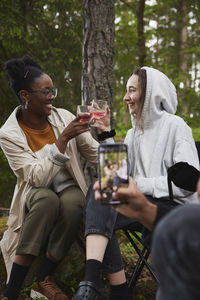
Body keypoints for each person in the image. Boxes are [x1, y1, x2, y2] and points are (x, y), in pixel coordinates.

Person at [71, 67, 200, 300]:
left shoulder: (176, 126)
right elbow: (117, 177)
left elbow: (187, 184)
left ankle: (113, 290)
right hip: (138, 204)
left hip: (172, 209)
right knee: (100, 193)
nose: (125, 97)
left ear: (150, 93)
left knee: (107, 193)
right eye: (126, 91)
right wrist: (106, 133)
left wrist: (140, 185)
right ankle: (96, 285)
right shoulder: (133, 133)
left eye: (132, 90)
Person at [0, 55, 111, 300]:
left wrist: (106, 132)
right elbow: (36, 178)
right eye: (45, 91)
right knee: (47, 201)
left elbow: (95, 154)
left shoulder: (62, 117)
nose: (52, 96)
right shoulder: (8, 134)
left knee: (74, 204)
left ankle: (43, 279)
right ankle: (11, 291)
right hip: (36, 190)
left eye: (53, 91)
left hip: (67, 185)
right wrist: (62, 140)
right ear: (25, 96)